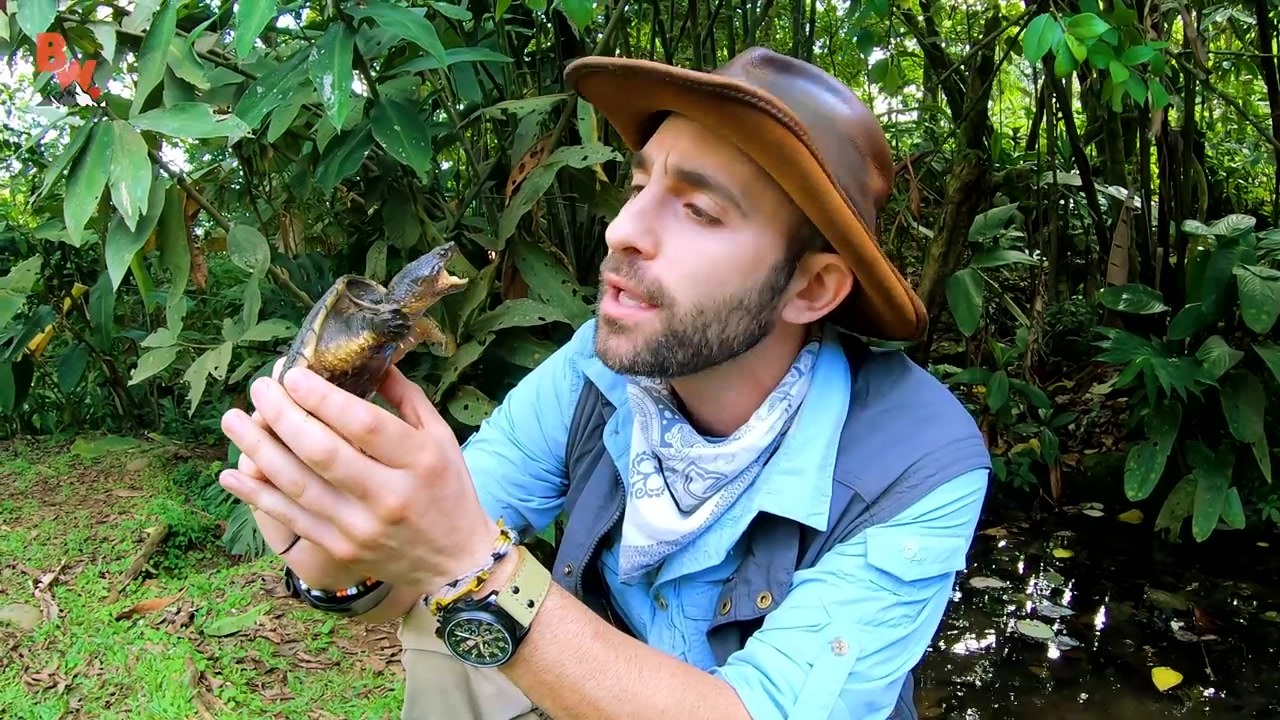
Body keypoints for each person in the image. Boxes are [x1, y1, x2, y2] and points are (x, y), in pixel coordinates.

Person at [218, 46, 991, 720]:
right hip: (596, 690)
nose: (625, 229)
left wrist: (469, 564)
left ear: (812, 289)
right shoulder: (597, 366)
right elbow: (405, 579)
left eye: (698, 209)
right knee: (448, 610)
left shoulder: (920, 461)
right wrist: (326, 545)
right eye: (639, 185)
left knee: (475, 581)